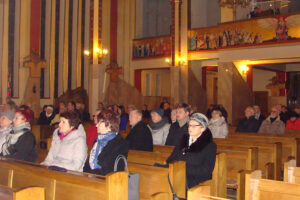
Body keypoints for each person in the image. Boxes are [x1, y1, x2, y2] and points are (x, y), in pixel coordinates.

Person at [166, 113, 216, 189]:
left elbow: (206, 171)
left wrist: (182, 168)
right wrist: (176, 168)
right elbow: (170, 159)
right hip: (178, 175)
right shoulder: (182, 141)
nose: (190, 128)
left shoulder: (209, 145)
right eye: (189, 125)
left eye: (194, 126)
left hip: (197, 180)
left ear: (202, 128)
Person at [83, 110, 128, 175]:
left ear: (108, 125)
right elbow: (86, 165)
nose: (96, 125)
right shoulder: (97, 141)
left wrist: (90, 174)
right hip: (91, 178)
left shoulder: (120, 144)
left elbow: (108, 170)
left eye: (99, 122)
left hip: (107, 181)